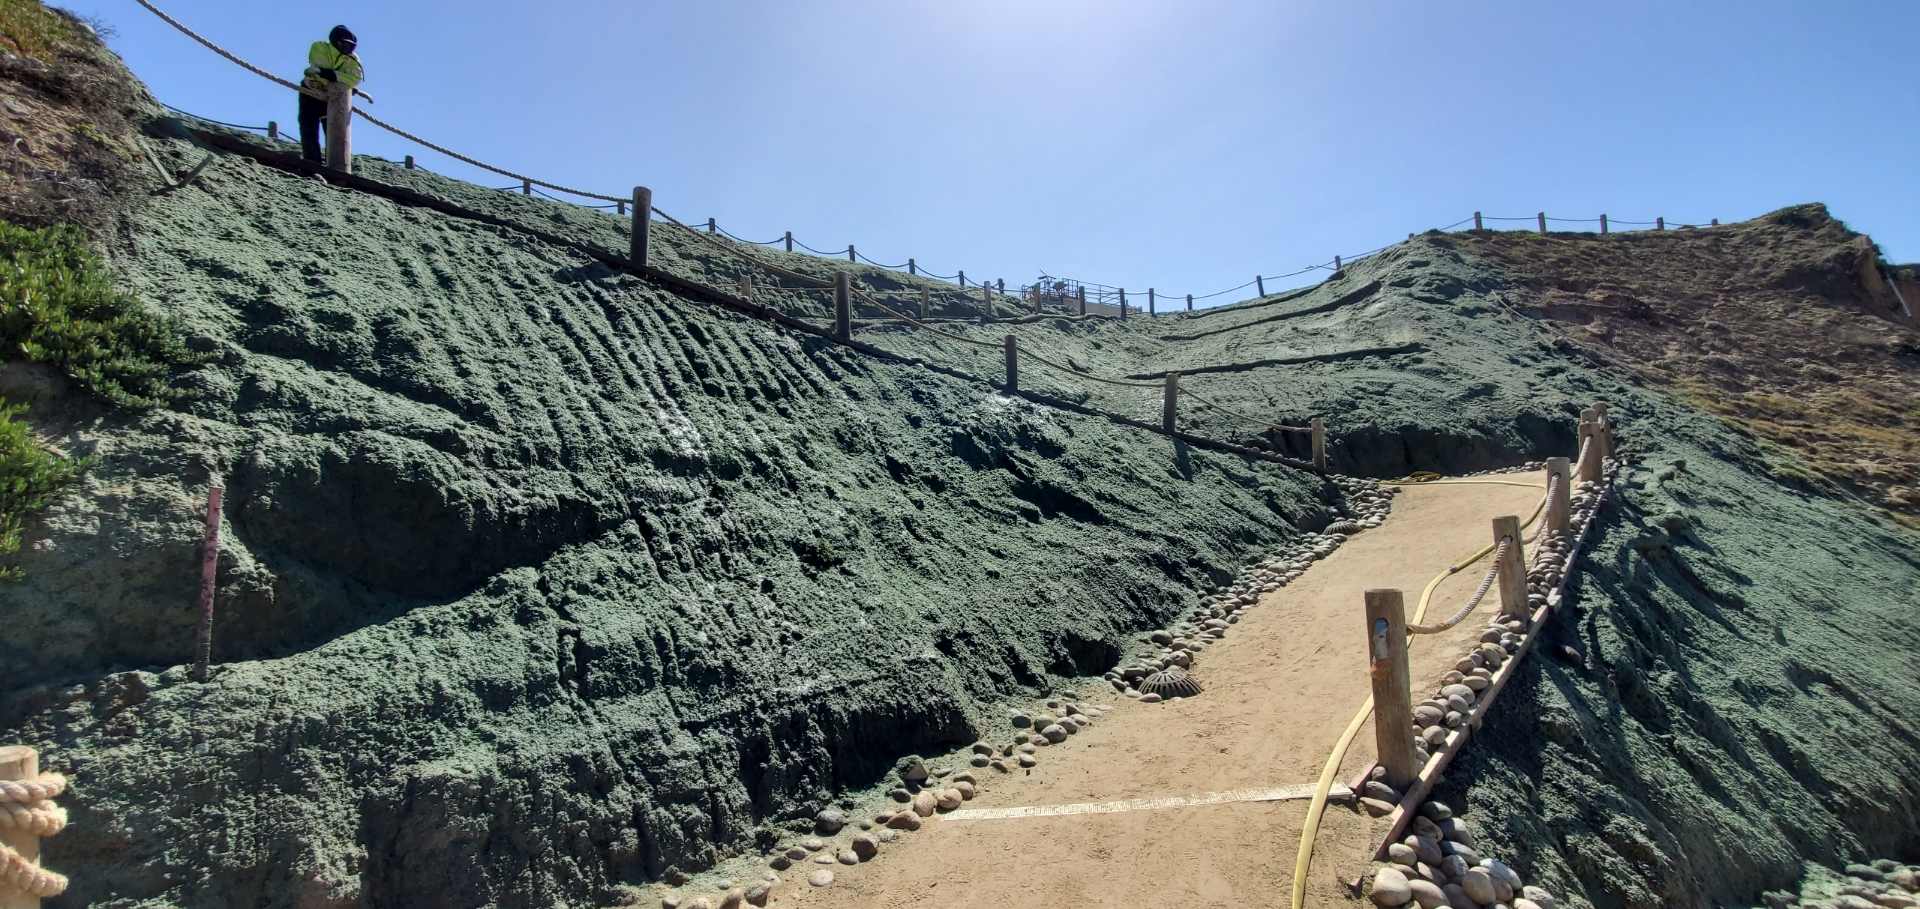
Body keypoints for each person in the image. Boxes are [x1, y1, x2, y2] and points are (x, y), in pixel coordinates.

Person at [298, 26, 364, 163]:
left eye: (351, 45)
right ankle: (312, 161)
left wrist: (325, 73)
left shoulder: (353, 58)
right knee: (308, 127)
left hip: (332, 97)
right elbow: (319, 66)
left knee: (335, 132)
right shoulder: (319, 46)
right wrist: (340, 78)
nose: (347, 48)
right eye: (344, 43)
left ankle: (335, 163)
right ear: (335, 40)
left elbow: (355, 78)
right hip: (311, 91)